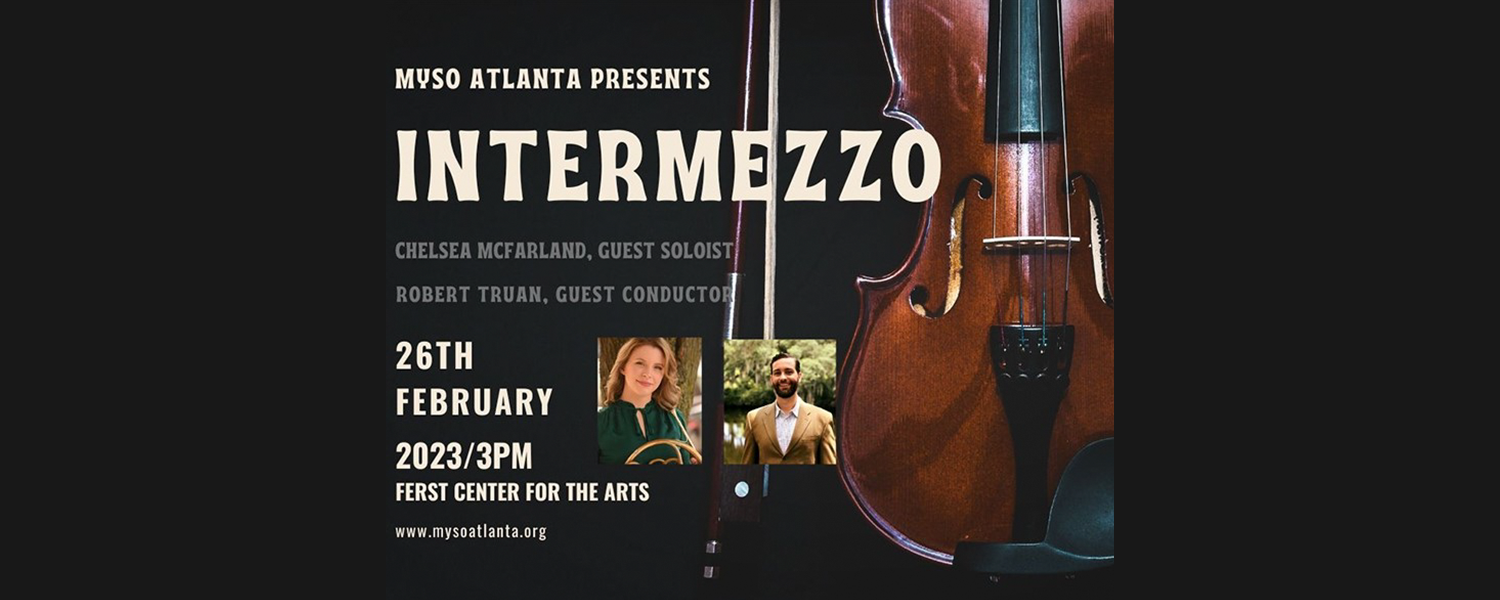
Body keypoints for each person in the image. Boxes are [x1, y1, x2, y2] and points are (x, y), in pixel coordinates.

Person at [597, 337, 699, 464]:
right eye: (640, 363)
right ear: (623, 367)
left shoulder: (674, 418)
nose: (648, 374)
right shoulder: (599, 422)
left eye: (658, 367)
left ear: (663, 374)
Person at [742, 352, 836, 464]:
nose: (783, 377)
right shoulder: (753, 418)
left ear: (799, 376)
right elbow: (747, 466)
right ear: (772, 378)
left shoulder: (823, 418)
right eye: (777, 373)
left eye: (789, 372)